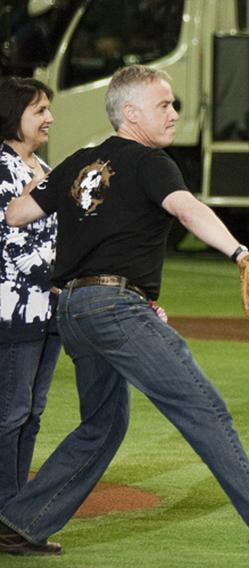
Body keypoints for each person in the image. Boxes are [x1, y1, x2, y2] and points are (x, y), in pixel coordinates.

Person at [0, 65, 249, 562]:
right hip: (115, 307)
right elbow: (187, 209)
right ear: (130, 113)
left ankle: (20, 523)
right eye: (165, 105)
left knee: (103, 425)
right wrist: (241, 253)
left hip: (73, 310)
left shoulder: (78, 161)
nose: (174, 113)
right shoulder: (151, 162)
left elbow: (17, 213)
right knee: (200, 405)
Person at [0, 77, 61, 521]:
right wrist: (67, 276)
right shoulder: (3, 170)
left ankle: (16, 511)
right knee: (10, 415)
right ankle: (6, 510)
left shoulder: (41, 166)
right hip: (14, 311)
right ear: (12, 115)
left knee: (32, 413)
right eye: (39, 110)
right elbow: (11, 247)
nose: (49, 118)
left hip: (48, 310)